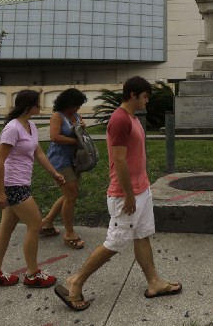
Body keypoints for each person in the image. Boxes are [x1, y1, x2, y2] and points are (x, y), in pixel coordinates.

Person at [54, 76, 181, 311]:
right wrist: (130, 195)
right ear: (133, 94)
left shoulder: (131, 118)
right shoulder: (120, 120)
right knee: (115, 242)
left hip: (141, 190)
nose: (147, 101)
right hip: (126, 195)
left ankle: (154, 282)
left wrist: (141, 189)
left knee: (142, 235)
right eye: (145, 96)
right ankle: (76, 281)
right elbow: (119, 161)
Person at [0, 89, 65, 288]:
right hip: (13, 185)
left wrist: (54, 173)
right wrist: (0, 192)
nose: (41, 105)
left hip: (20, 183)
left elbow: (39, 154)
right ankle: (32, 274)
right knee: (35, 225)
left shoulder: (30, 125)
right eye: (38, 102)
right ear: (29, 105)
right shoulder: (12, 128)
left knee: (5, 230)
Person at [41, 88, 88, 249]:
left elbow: (80, 133)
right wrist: (75, 141)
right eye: (76, 105)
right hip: (60, 161)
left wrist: (82, 127)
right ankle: (69, 233)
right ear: (68, 103)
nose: (78, 109)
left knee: (70, 194)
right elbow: (54, 137)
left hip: (75, 160)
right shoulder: (57, 116)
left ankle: (46, 222)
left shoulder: (76, 116)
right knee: (71, 195)